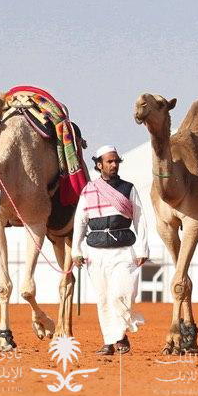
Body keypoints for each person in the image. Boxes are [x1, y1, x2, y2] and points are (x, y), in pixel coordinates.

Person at [72, 145, 148, 355]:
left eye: (116, 161)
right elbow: (80, 220)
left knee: (121, 294)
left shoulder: (128, 188)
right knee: (104, 297)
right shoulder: (88, 190)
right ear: (99, 165)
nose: (114, 165)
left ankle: (120, 334)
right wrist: (75, 250)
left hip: (123, 250)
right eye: (109, 161)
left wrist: (143, 248)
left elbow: (140, 219)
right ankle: (111, 341)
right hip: (95, 252)